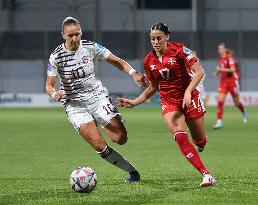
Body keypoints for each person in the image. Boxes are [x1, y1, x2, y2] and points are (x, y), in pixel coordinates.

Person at [117, 23, 216, 187]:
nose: (155, 42)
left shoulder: (180, 50)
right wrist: (134, 102)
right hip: (169, 102)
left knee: (199, 140)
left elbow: (199, 72)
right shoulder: (148, 60)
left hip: (189, 97)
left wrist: (188, 91)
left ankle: (200, 144)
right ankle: (206, 174)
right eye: (152, 39)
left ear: (167, 37)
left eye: (159, 38)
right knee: (179, 134)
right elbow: (153, 87)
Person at [46, 17, 143, 183]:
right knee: (99, 146)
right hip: (75, 106)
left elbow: (115, 60)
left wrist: (132, 72)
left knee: (120, 138)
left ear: (81, 32)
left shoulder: (91, 47)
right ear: (63, 35)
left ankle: (106, 119)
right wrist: (54, 94)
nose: (75, 38)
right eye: (70, 35)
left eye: (77, 34)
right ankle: (132, 172)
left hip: (97, 98)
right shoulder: (56, 57)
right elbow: (49, 85)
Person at [212, 43, 248, 129]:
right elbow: (221, 69)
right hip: (223, 81)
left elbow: (233, 69)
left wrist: (220, 69)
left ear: (225, 49)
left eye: (221, 48)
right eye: (219, 49)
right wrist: (216, 72)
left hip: (232, 81)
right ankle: (219, 121)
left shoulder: (229, 58)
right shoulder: (220, 59)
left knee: (237, 103)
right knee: (220, 100)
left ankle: (243, 112)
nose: (219, 50)